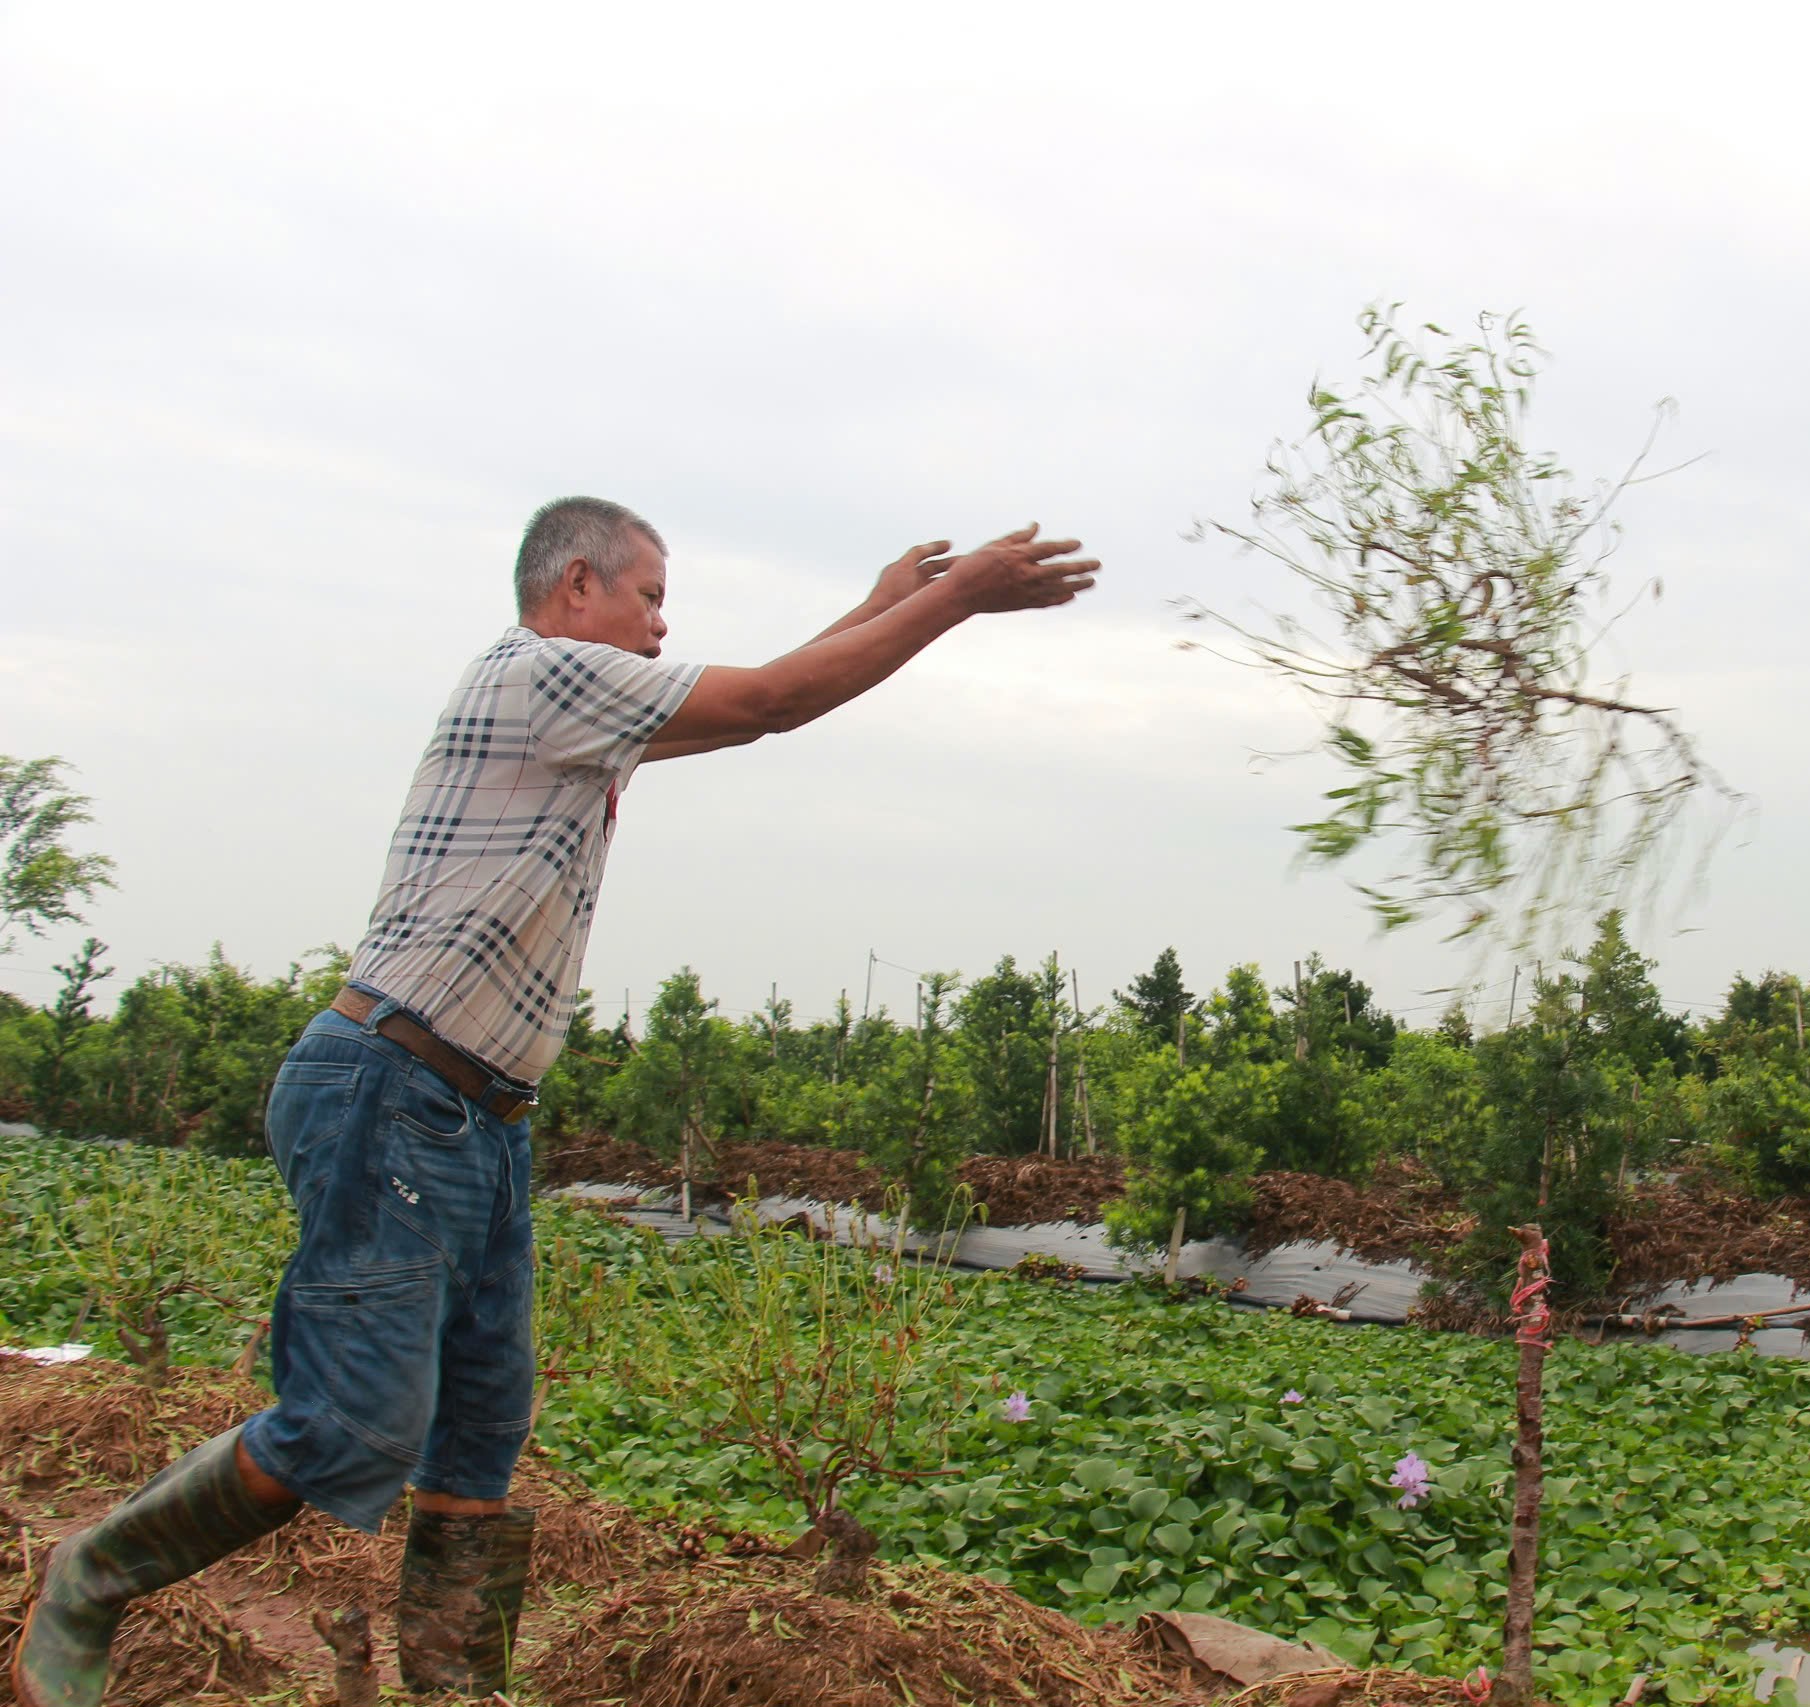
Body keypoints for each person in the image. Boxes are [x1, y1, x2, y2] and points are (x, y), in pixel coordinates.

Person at [11, 497, 1099, 1707]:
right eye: (650, 595)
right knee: (352, 1426)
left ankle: (454, 1692)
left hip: (480, 1120)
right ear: (576, 585)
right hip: (391, 1090)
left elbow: (750, 711)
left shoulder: (584, 713)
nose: (661, 621)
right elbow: (769, 699)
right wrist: (956, 599)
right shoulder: (534, 672)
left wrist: (885, 605)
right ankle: (91, 1579)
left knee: (478, 1440)